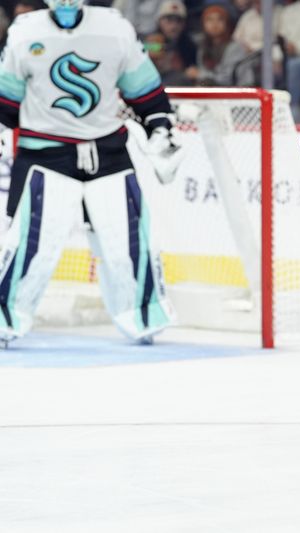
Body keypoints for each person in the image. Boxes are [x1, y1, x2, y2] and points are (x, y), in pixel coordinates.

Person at [0, 0, 180, 344]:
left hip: (107, 153)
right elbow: (5, 100)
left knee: (129, 244)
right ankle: (6, 317)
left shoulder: (115, 28)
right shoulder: (25, 32)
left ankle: (144, 316)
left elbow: (146, 93)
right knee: (32, 245)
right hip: (46, 155)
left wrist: (162, 130)